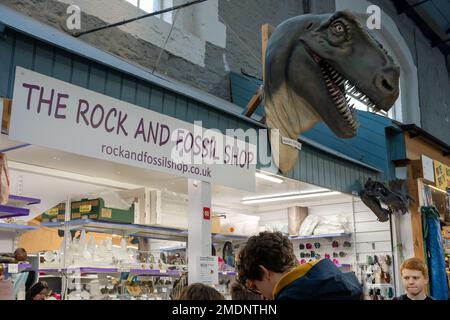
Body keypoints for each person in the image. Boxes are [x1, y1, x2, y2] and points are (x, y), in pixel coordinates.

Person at [236, 231, 362, 300]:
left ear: (263, 271)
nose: (262, 295)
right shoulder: (340, 282)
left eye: (256, 287)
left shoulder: (292, 297)